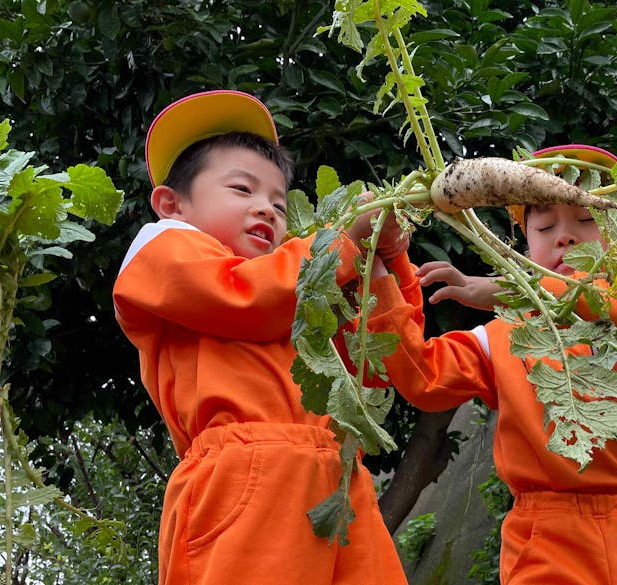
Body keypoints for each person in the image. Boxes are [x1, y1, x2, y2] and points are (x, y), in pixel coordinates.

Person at [364, 144, 617, 585]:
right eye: (545, 225)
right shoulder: (502, 336)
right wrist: (383, 268)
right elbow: (422, 376)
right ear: (525, 244)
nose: (563, 236)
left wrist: (510, 289)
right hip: (546, 540)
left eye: (587, 220)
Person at [112, 90, 409, 585]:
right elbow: (244, 299)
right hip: (243, 476)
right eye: (242, 190)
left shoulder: (301, 281)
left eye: (277, 201)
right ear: (172, 204)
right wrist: (340, 242)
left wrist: (383, 259)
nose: (268, 210)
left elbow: (377, 364)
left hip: (335, 480)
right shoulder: (162, 249)